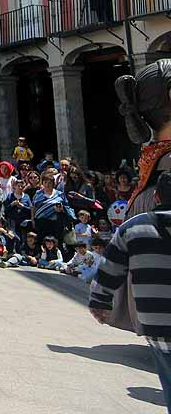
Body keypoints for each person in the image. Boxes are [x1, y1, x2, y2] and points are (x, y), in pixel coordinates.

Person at [91, 172, 171, 408]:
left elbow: (109, 268)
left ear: (156, 198)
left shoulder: (133, 227)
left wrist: (100, 301)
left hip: (156, 322)